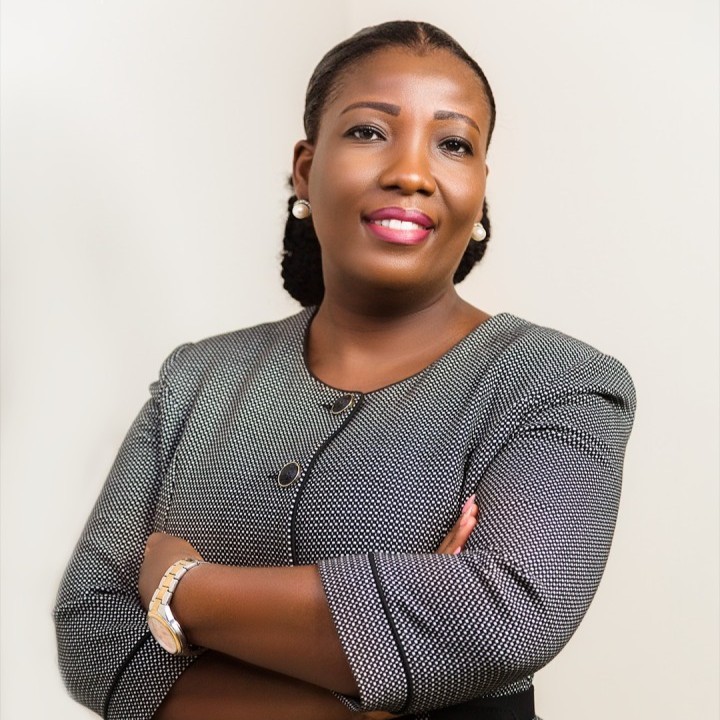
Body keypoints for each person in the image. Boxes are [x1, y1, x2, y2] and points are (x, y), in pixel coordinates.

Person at [54, 20, 636, 720]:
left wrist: (181, 588)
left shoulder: (558, 382)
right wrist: (376, 684)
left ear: (481, 187)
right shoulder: (197, 379)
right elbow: (89, 630)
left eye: (453, 144)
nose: (411, 172)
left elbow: (505, 618)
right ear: (305, 168)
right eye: (368, 131)